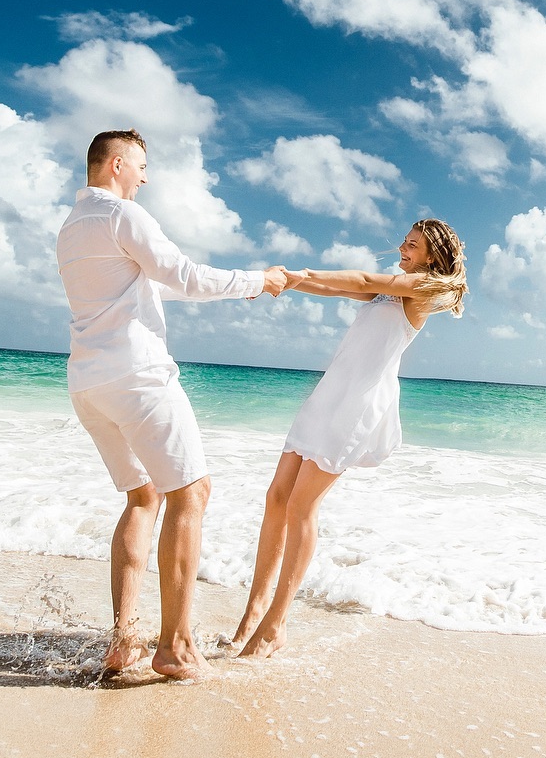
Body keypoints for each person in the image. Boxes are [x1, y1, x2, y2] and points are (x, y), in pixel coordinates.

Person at [57, 128, 289, 680]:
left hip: (88, 384)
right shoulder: (123, 216)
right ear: (116, 165)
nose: (145, 177)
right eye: (139, 167)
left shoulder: (71, 228)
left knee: (143, 497)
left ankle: (124, 640)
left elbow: (164, 284)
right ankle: (177, 645)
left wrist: (248, 285)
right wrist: (260, 280)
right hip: (136, 376)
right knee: (192, 492)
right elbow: (182, 273)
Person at [230, 219, 468, 658]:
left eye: (412, 245)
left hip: (358, 404)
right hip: (329, 394)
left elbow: (359, 277)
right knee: (277, 497)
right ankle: (253, 611)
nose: (402, 247)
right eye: (405, 242)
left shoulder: (417, 291)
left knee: (302, 505)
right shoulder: (389, 290)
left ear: (432, 256)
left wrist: (298, 273)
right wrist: (293, 282)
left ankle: (275, 624)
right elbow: (342, 288)